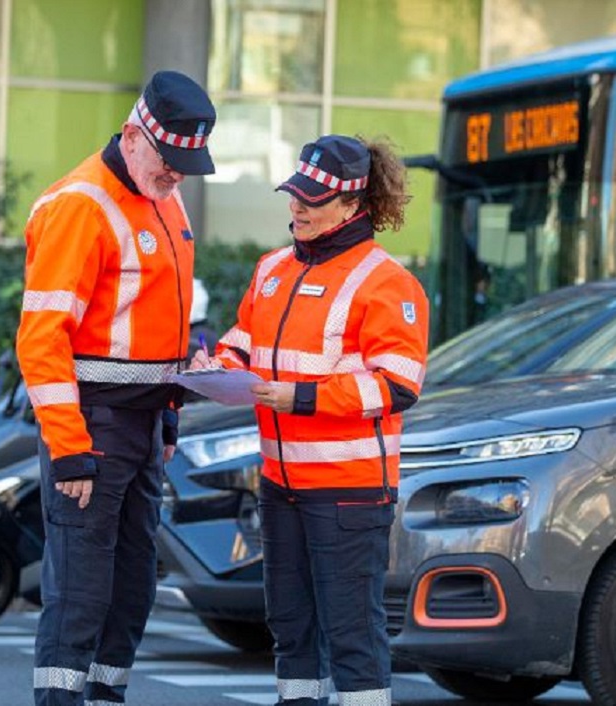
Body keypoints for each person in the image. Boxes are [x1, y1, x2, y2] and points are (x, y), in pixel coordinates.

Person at [193, 134, 429, 706]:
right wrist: (215, 367)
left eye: (311, 198)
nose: (295, 206)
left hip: (349, 495)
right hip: (281, 486)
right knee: (291, 631)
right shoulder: (272, 268)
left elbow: (397, 385)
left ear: (352, 206)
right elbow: (242, 345)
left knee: (352, 637)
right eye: (294, 192)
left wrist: (296, 398)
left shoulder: (388, 283)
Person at [17, 70, 216, 706]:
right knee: (80, 590)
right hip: (93, 428)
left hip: (140, 424)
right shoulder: (81, 204)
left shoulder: (161, 193)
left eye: (188, 163)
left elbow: (155, 325)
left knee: (131, 587)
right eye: (169, 161)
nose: (178, 175)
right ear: (134, 137)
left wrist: (169, 417)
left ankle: (104, 697)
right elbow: (41, 339)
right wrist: (70, 448)